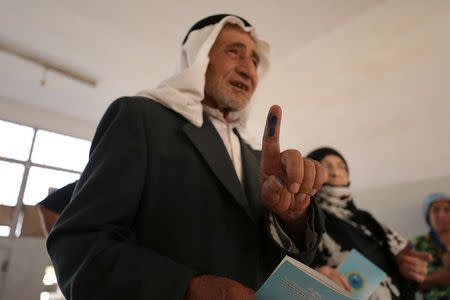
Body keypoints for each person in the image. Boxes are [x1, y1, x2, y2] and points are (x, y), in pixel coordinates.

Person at [47, 14, 326, 300]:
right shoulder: (140, 117)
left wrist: (291, 220)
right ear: (198, 57)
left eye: (255, 60)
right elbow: (79, 246)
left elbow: (268, 263)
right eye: (234, 51)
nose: (248, 69)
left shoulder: (258, 155)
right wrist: (186, 288)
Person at [307, 147, 431, 300]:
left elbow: (392, 270)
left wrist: (407, 270)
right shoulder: (304, 221)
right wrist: (313, 280)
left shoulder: (366, 220)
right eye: (326, 166)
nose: (335, 172)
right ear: (311, 173)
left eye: (341, 167)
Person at [414, 192, 450, 299]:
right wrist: (439, 278)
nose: (442, 215)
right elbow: (408, 285)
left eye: (447, 210)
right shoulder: (417, 244)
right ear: (428, 216)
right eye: (435, 210)